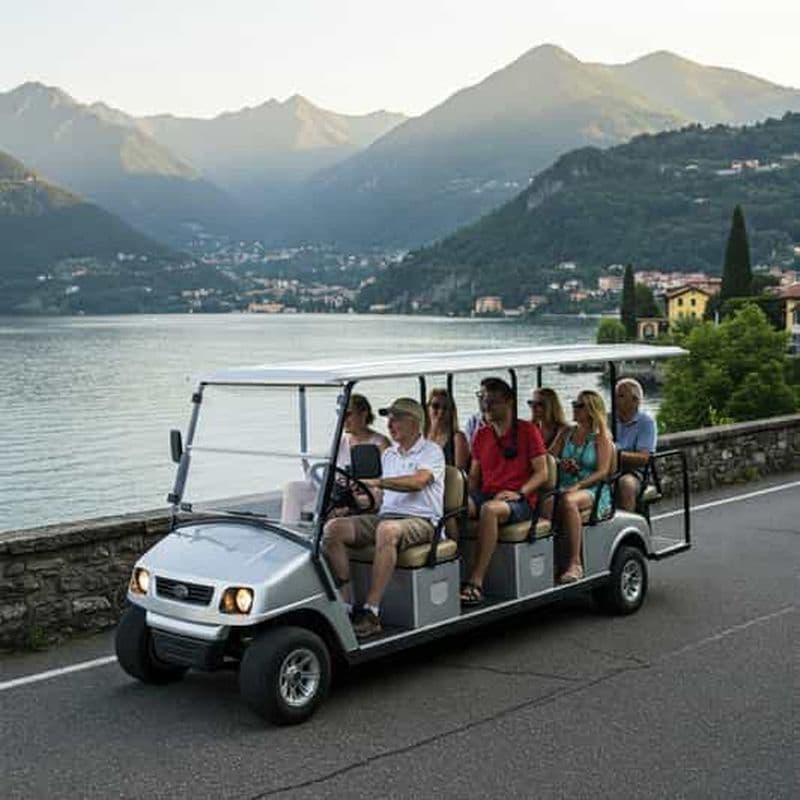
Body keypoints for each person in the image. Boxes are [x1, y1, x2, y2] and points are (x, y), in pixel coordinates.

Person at [322, 397, 445, 639]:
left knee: (387, 530)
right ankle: (346, 604)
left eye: (396, 419)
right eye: (389, 419)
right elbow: (382, 499)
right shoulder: (389, 454)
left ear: (414, 422)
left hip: (422, 520)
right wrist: (357, 500)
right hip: (386, 515)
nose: (389, 424)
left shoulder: (431, 451)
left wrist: (377, 482)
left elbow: (418, 482)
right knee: (333, 528)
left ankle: (372, 611)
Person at [460, 378, 548, 605]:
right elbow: (474, 477)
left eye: (492, 402)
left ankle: (476, 581)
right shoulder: (481, 435)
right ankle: (454, 568)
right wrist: (464, 499)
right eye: (483, 400)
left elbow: (542, 473)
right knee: (456, 507)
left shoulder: (527, 431)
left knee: (489, 510)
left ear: (508, 402)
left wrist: (520, 492)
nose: (485, 406)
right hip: (488, 494)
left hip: (520, 501)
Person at [281, 393, 389, 523]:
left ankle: (340, 515)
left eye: (348, 414)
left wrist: (362, 484)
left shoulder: (380, 443)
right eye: (340, 414)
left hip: (366, 491)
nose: (343, 419)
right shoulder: (340, 441)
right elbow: (328, 468)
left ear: (363, 414)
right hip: (339, 490)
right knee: (292, 487)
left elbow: (388, 479)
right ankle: (289, 528)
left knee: (371, 496)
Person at [554, 390, 613, 584]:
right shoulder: (566, 432)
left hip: (592, 488)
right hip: (564, 484)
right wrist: (561, 463)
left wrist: (578, 485)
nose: (574, 408)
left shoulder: (601, 437)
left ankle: (575, 562)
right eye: (574, 404)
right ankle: (553, 558)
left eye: (579, 406)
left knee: (568, 501)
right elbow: (549, 457)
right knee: (545, 501)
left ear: (591, 411)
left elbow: (603, 472)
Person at [614, 378, 657, 512]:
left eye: (621, 396)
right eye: (616, 395)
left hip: (635, 472)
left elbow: (644, 458)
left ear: (635, 401)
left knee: (626, 484)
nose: (615, 399)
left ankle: (628, 521)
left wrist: (615, 455)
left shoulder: (646, 422)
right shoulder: (609, 419)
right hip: (610, 468)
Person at [426, 388, 470, 471]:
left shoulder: (457, 438)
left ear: (451, 412)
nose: (440, 411)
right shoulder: (422, 436)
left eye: (445, 408)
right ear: (428, 408)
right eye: (435, 406)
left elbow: (458, 473)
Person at [528, 387, 571, 453]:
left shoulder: (564, 430)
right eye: (531, 403)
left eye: (539, 404)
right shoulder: (528, 428)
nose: (533, 407)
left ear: (550, 406)